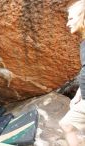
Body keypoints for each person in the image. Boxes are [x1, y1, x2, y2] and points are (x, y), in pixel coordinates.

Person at [59, 0, 85, 145]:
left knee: (66, 125)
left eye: (71, 18)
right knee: (66, 124)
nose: (67, 23)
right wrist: (78, 95)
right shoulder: (83, 43)